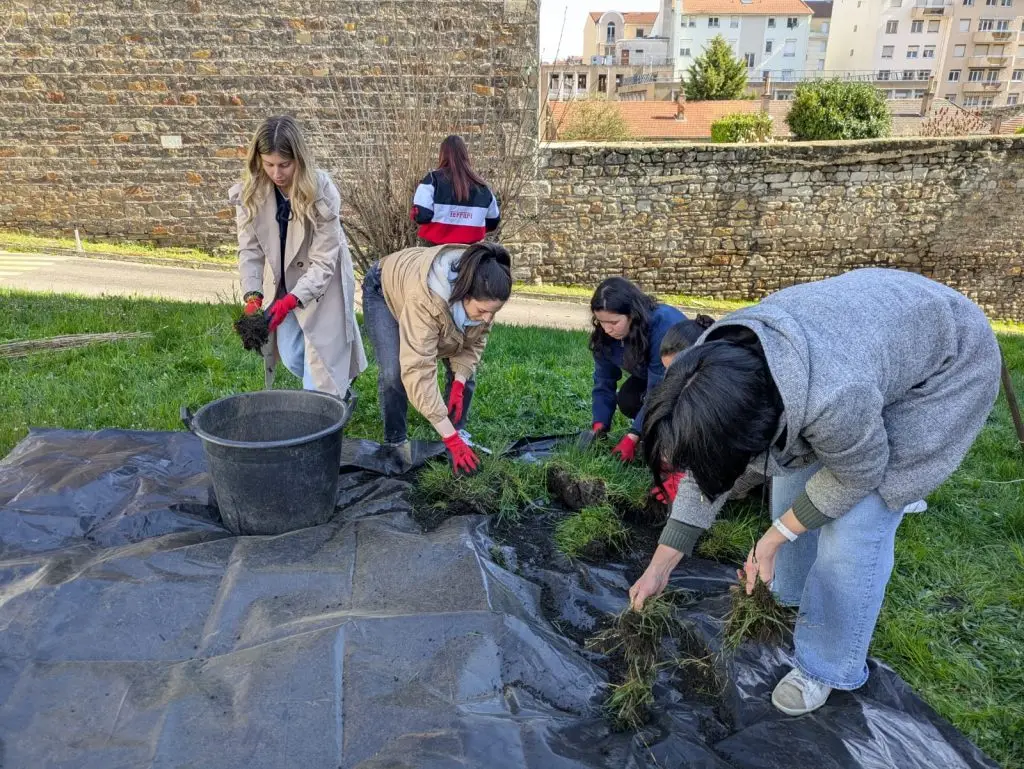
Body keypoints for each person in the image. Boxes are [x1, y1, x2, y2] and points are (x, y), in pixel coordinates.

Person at [630, 268, 1001, 717]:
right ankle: (786, 594)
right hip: (866, 342)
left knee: (858, 520)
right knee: (791, 478)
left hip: (944, 366)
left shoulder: (833, 396)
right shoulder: (726, 366)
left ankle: (826, 666)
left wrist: (771, 539)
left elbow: (857, 475)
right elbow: (713, 474)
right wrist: (659, 567)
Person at [230, 115, 366, 397]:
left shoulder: (321, 191)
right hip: (283, 282)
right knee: (292, 355)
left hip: (322, 284)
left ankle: (327, 408)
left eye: (284, 165)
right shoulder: (250, 193)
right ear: (258, 160)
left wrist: (293, 300)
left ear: (299, 160)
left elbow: (325, 259)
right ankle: (337, 386)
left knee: (321, 369)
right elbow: (250, 249)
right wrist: (253, 295)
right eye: (269, 164)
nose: (277, 173)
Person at [362, 240, 512, 474]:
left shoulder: (484, 283)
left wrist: (459, 383)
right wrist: (448, 437)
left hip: (419, 285)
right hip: (384, 289)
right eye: (483, 311)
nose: (488, 320)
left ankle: (455, 430)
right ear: (464, 295)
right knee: (395, 373)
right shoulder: (426, 301)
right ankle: (396, 442)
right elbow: (418, 368)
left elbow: (474, 342)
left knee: (465, 374)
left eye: (494, 312)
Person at [584, 277, 687, 501]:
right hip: (651, 377)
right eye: (601, 321)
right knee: (629, 399)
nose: (607, 329)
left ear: (632, 314)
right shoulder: (606, 337)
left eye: (614, 322)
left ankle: (671, 448)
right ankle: (652, 432)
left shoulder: (662, 326)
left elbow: (659, 388)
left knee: (671, 417)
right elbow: (603, 381)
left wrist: (634, 434)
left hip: (686, 381)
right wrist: (600, 424)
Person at [411, 135, 500, 246]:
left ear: (442, 155)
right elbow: (493, 222)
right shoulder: (483, 187)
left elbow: (422, 216)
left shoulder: (432, 180)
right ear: (465, 155)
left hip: (435, 247)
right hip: (472, 251)